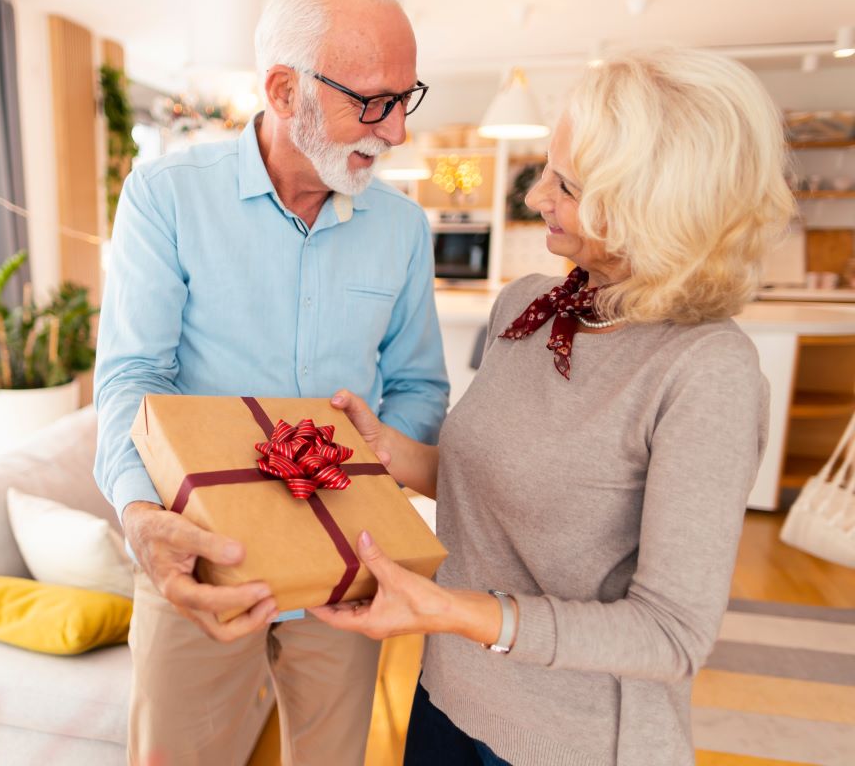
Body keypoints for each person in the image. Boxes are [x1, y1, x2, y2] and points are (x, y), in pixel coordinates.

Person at [313, 47, 794, 766]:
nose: (537, 196)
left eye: (565, 185)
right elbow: (503, 493)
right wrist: (390, 452)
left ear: (655, 208)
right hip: (448, 695)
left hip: (572, 741)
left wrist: (451, 612)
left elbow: (669, 635)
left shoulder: (704, 372)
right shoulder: (530, 307)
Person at [92, 0, 450, 763]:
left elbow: (422, 385)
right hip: (201, 554)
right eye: (372, 102)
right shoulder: (165, 197)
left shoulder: (400, 227)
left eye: (405, 98)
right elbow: (132, 379)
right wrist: (135, 513)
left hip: (350, 559)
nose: (395, 132)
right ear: (284, 91)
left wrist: (376, 474)